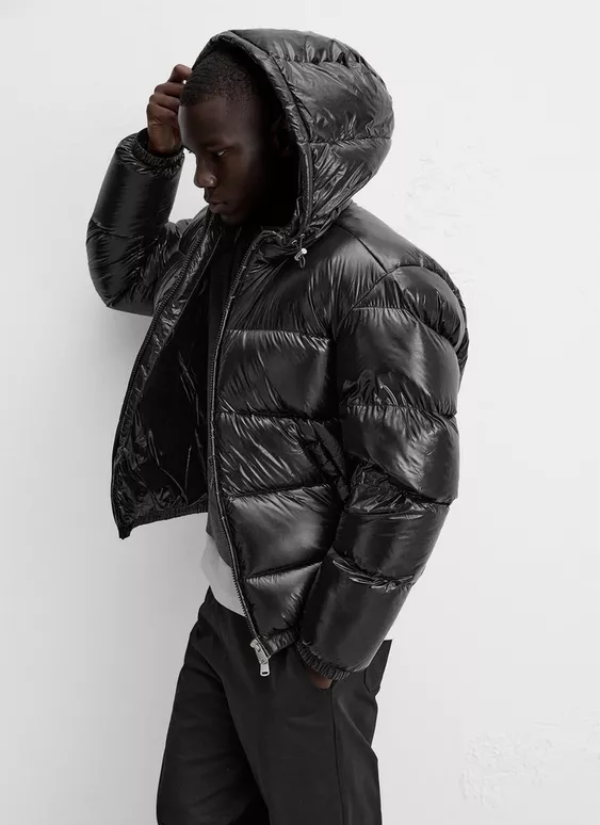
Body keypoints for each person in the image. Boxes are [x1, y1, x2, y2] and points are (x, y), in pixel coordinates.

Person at [86, 28, 469, 825]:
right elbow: (124, 276)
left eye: (218, 154)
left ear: (286, 142)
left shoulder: (382, 280)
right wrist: (152, 155)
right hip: (226, 614)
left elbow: (408, 486)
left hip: (301, 642)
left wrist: (326, 654)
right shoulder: (225, 242)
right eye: (194, 156)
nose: (203, 178)